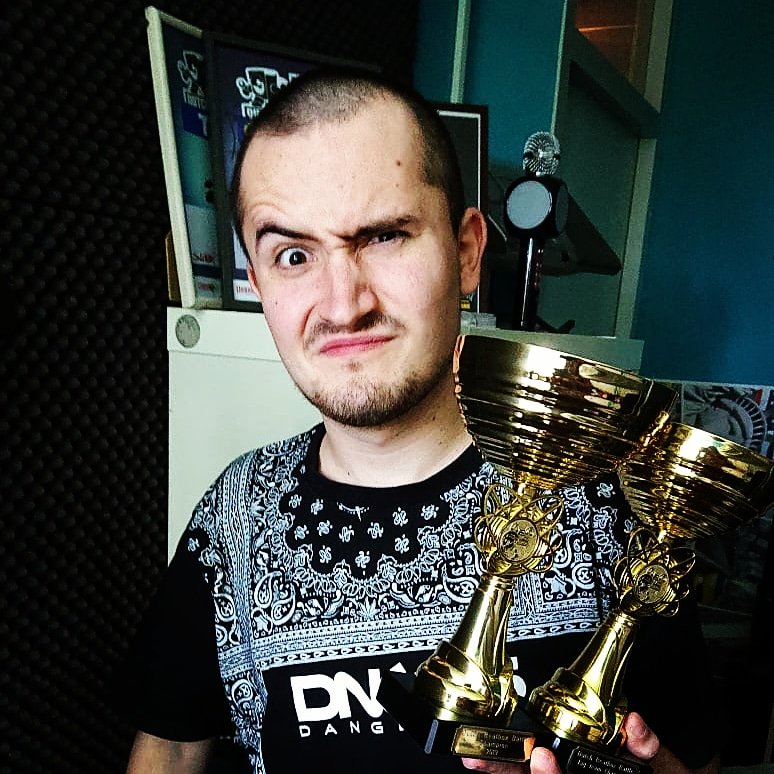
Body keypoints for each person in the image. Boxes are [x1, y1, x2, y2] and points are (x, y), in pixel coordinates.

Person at [123, 67, 720, 774]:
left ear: (466, 253)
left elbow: (694, 759)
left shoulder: (610, 504)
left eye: (383, 237)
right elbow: (169, 747)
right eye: (293, 254)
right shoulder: (233, 517)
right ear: (258, 281)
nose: (343, 304)